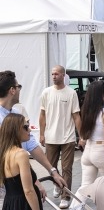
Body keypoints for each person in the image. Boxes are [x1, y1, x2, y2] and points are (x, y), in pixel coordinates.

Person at [0, 71, 66, 209]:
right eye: (19, 86)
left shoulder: (16, 114)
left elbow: (32, 145)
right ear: (12, 90)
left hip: (17, 181)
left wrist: (52, 171)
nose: (19, 90)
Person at [39, 65, 81, 209]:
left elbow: (76, 116)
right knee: (51, 167)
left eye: (56, 74)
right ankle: (58, 184)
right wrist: (41, 133)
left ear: (63, 75)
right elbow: (42, 115)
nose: (54, 76)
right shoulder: (46, 93)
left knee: (67, 169)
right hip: (51, 137)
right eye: (52, 74)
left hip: (68, 137)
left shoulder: (71, 93)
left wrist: (81, 136)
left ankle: (66, 196)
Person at [70, 81, 104, 208]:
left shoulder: (85, 110)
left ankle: (74, 208)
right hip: (101, 151)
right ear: (101, 95)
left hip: (88, 151)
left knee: (85, 186)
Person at [0, 114, 42, 210]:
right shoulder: (21, 154)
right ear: (16, 130)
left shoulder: (4, 153)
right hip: (24, 204)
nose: (29, 130)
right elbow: (28, 191)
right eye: (26, 127)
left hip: (9, 203)